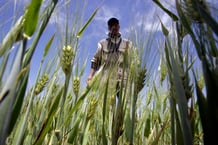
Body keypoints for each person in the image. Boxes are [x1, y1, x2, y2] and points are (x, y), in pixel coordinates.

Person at [86, 17, 135, 97]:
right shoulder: (102, 43)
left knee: (126, 104)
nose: (114, 27)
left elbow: (134, 61)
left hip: (123, 78)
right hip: (106, 78)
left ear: (119, 26)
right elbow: (95, 60)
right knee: (106, 106)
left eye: (115, 25)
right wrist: (90, 76)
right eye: (111, 25)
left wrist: (134, 76)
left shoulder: (128, 44)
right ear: (109, 28)